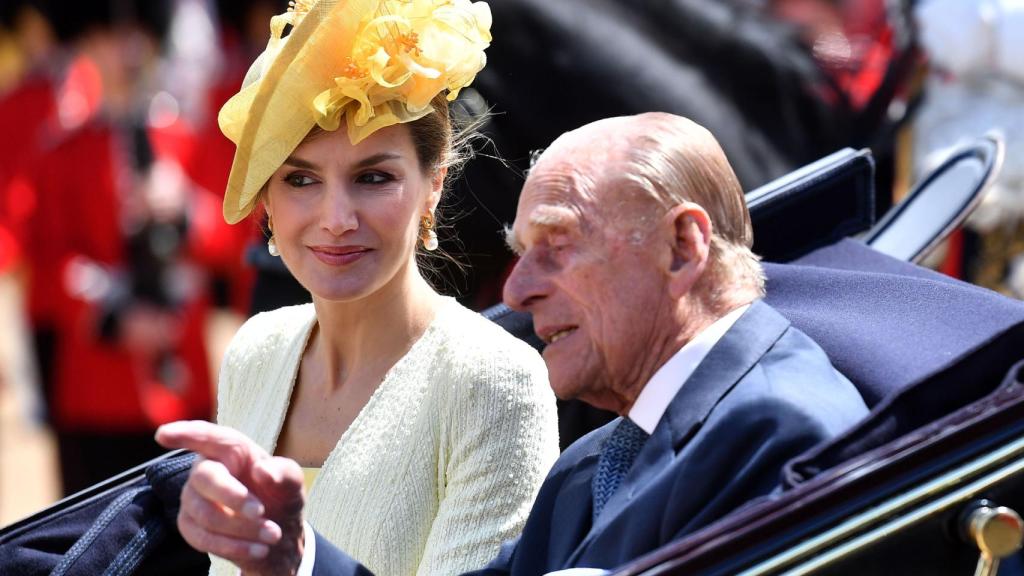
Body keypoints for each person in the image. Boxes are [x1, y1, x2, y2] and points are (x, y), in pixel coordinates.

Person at [156, 112, 869, 575]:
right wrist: (295, 554)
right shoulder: (593, 462)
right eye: (520, 252)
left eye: (556, 246)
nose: (519, 290)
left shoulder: (778, 428)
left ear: (682, 247)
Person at [189, 0, 560, 575]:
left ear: (432, 186)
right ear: (265, 199)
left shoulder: (492, 381)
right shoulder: (254, 353)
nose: (336, 218)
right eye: (301, 179)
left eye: (373, 178)